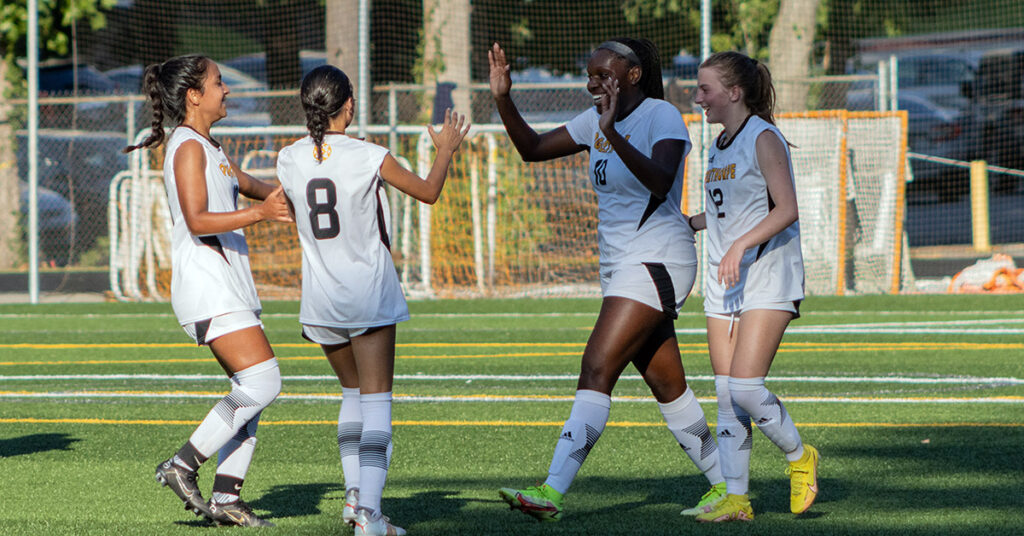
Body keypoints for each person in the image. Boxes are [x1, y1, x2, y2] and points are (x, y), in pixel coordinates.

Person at [488, 38, 725, 523]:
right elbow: (531, 149)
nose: (593, 82)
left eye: (603, 74)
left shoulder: (661, 116)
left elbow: (660, 180)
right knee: (669, 388)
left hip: (658, 258)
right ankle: (728, 486)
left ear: (633, 75)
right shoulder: (595, 119)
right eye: (589, 74)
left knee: (596, 366)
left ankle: (551, 491)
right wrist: (502, 98)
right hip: (621, 265)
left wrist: (611, 130)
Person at [276, 65, 470, 536]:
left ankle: (353, 498)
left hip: (320, 299)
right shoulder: (368, 155)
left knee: (351, 396)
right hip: (366, 292)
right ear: (350, 106)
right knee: (377, 403)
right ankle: (370, 516)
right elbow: (428, 191)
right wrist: (444, 149)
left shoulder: (288, 157)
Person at [125, 54, 293, 527]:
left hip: (227, 285)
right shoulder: (187, 146)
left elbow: (259, 188)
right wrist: (261, 215)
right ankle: (182, 464)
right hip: (207, 284)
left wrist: (314, 180)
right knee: (263, 383)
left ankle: (226, 498)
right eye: (219, 83)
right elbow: (197, 220)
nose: (227, 90)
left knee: (248, 393)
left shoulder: (210, 146)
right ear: (193, 95)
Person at [686, 51, 819, 523]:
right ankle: (738, 499)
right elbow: (723, 212)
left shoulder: (763, 137)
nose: (696, 96)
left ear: (734, 93)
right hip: (725, 280)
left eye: (705, 89)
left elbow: (787, 208)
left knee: (744, 387)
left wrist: (741, 245)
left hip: (768, 274)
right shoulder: (718, 145)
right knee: (725, 393)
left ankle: (800, 457)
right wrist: (685, 224)